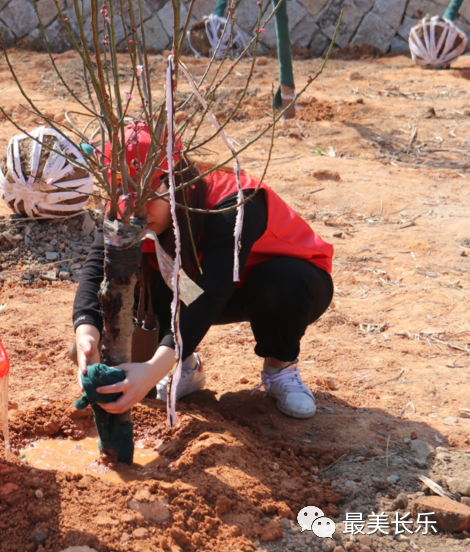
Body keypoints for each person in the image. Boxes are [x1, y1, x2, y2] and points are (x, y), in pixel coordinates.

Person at [71, 123, 333, 420]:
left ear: (176, 181)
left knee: (282, 283)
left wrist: (155, 368)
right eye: (124, 199)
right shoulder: (126, 211)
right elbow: (97, 269)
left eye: (146, 199)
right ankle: (186, 366)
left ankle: (280, 368)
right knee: (134, 268)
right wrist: (86, 332)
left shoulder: (234, 203)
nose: (136, 212)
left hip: (278, 285)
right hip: (200, 284)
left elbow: (212, 292)